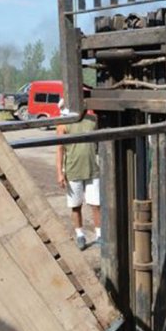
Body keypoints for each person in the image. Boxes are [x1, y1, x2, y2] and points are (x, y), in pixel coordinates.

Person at [56, 106, 101, 250]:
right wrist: (60, 173)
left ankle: (99, 235)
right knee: (76, 206)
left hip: (93, 169)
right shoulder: (63, 124)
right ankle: (80, 235)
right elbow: (60, 149)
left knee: (96, 204)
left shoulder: (93, 120)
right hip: (73, 170)